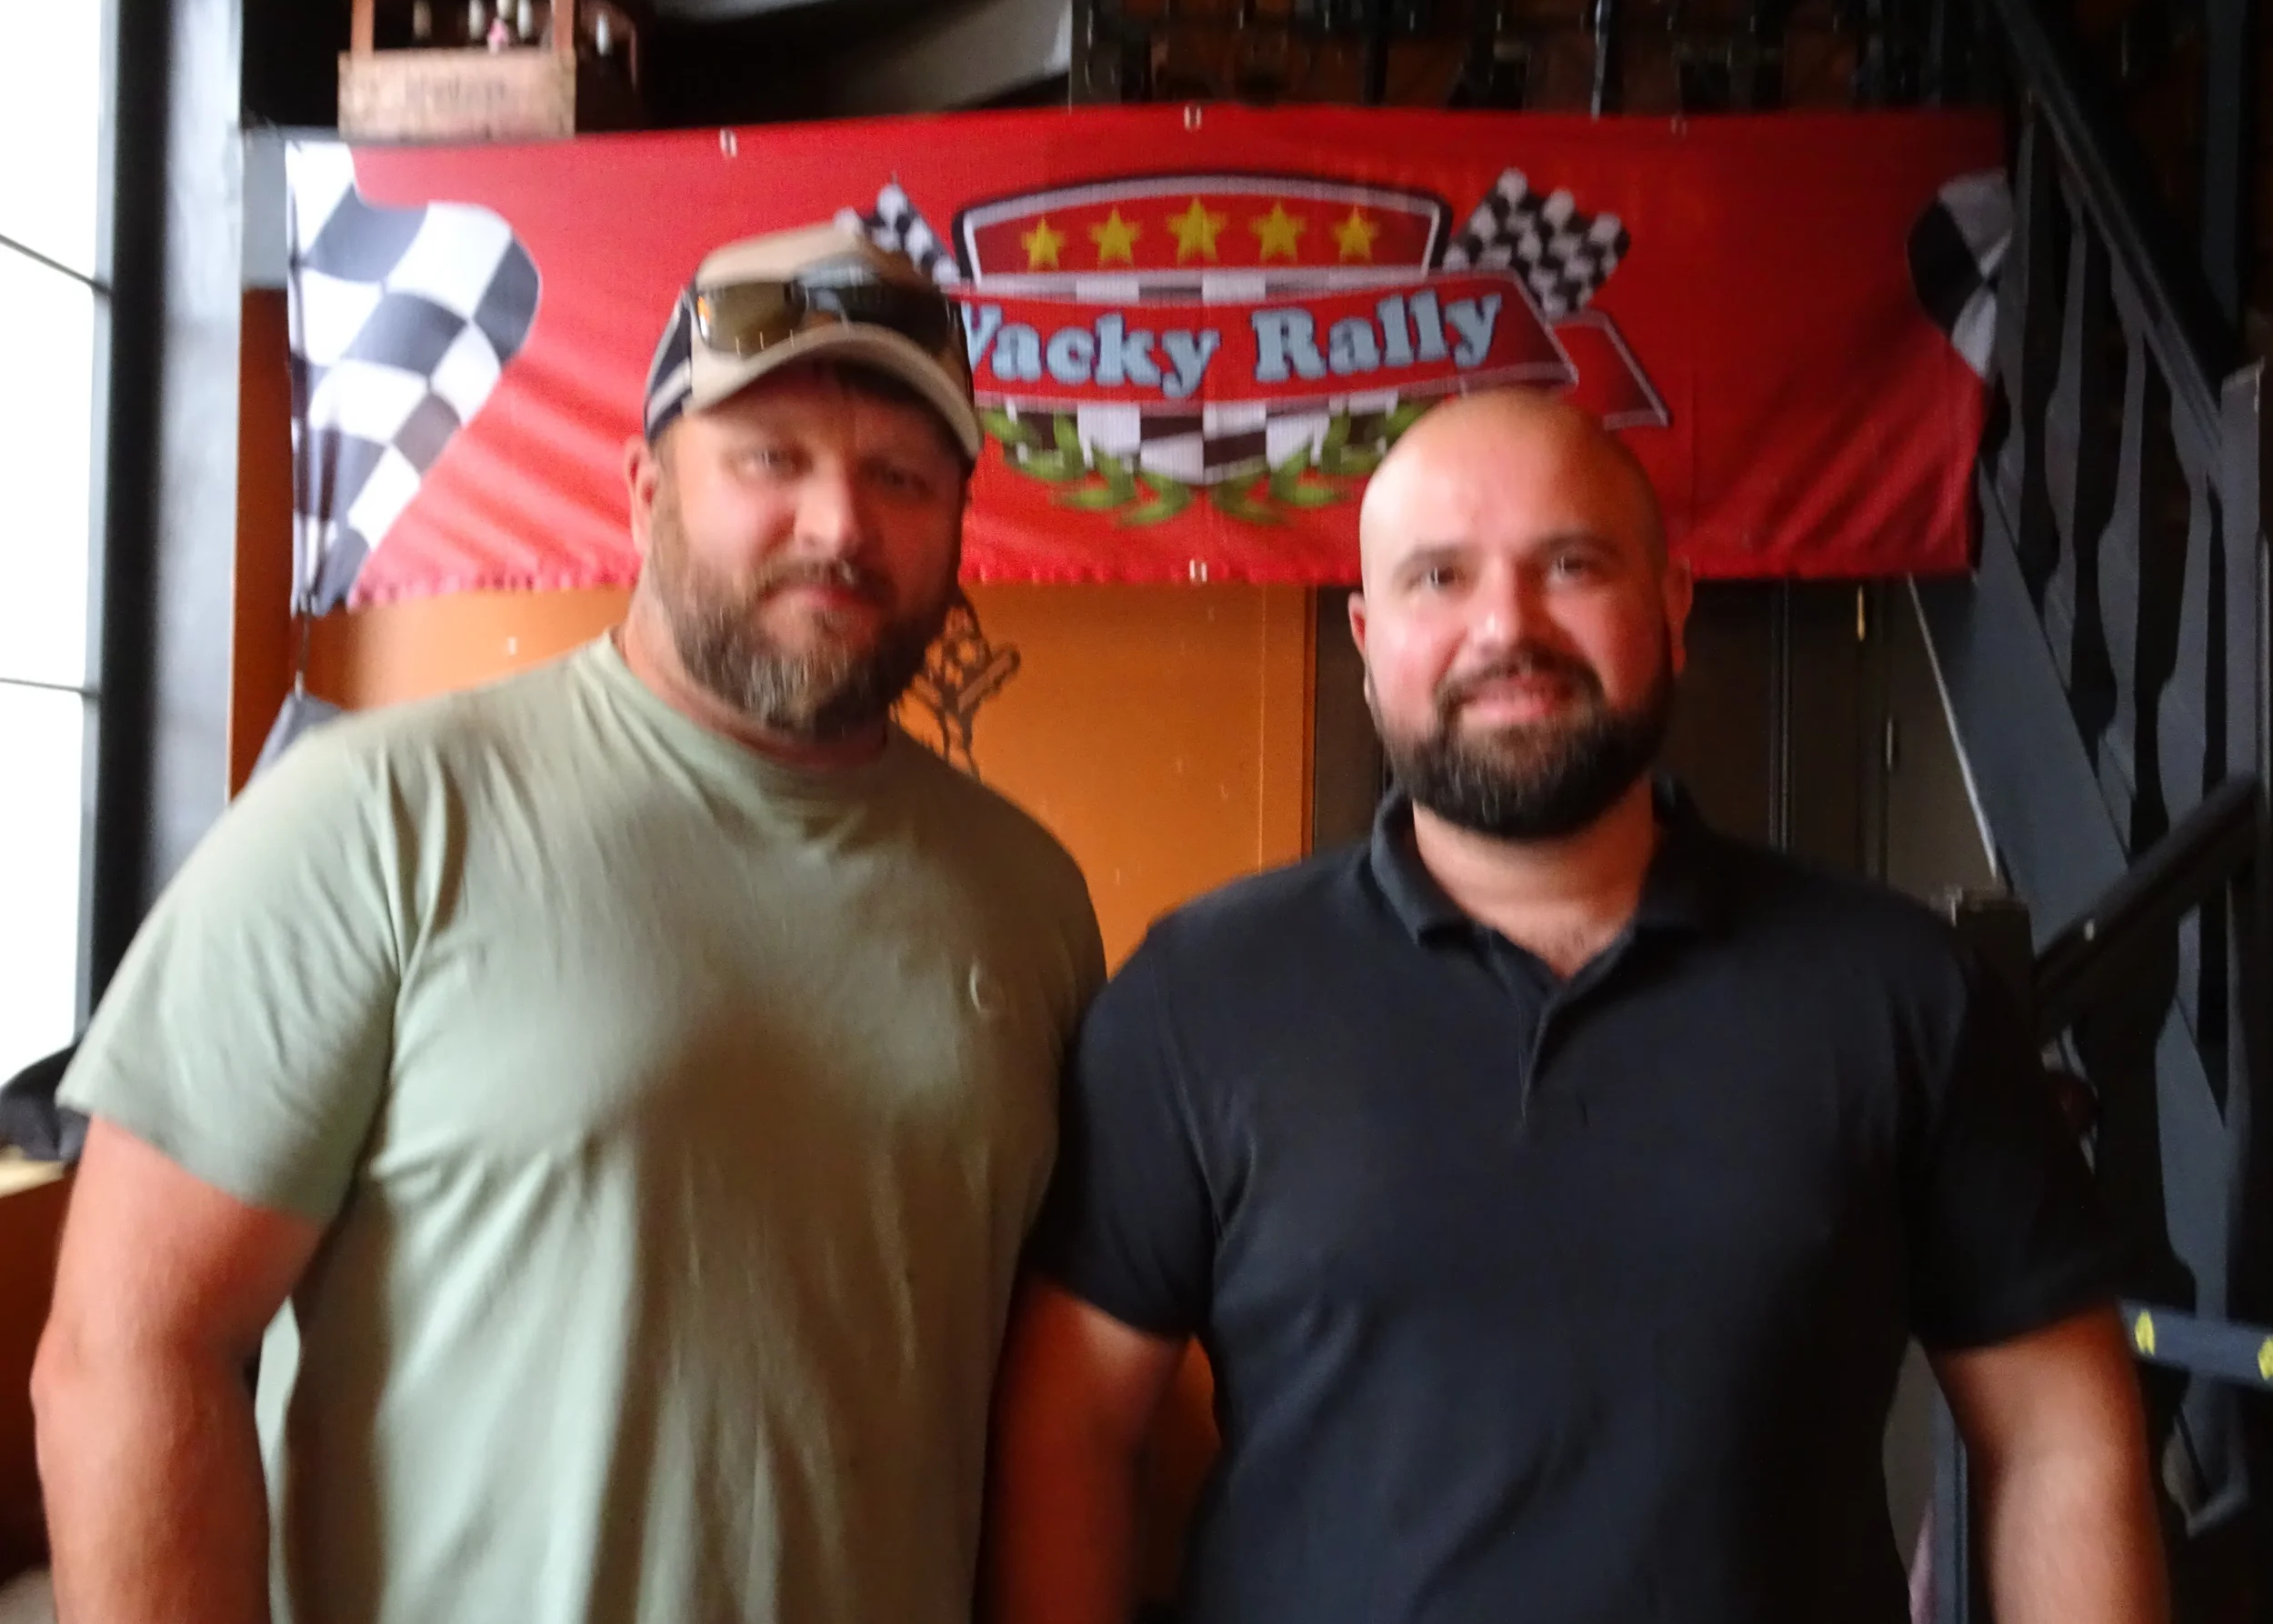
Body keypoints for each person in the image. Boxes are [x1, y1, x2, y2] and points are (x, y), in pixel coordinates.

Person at [35, 224, 1105, 1624]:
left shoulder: (1027, 896)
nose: (840, 525)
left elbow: (1045, 1395)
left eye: (901, 477)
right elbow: (130, 1352)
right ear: (646, 483)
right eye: (770, 457)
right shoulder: (380, 818)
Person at [984, 389, 2165, 1624]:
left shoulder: (1900, 989)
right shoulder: (1199, 993)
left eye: (1573, 563)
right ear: (1368, 637)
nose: (1507, 624)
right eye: (1439, 577)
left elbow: (2057, 1430)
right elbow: (1071, 1431)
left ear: (1671, 607)